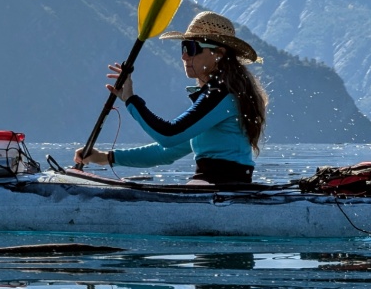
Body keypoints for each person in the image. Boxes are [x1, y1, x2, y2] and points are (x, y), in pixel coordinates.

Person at [75, 11, 268, 186]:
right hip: (221, 186)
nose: (184, 56)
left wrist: (131, 100)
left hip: (220, 187)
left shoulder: (222, 93)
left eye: (192, 48)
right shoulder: (222, 93)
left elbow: (168, 135)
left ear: (219, 53)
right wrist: (106, 157)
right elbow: (165, 151)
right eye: (183, 48)